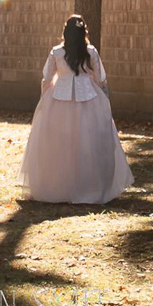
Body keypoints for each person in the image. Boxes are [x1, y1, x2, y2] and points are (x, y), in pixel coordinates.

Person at [17, 13, 133, 205]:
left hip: (58, 100)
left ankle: (59, 186)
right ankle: (88, 186)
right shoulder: (91, 52)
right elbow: (101, 77)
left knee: (59, 144)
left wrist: (44, 100)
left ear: (65, 31)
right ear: (83, 32)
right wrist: (102, 95)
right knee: (87, 143)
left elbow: (46, 78)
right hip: (88, 98)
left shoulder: (56, 52)